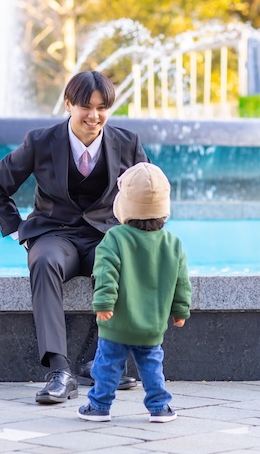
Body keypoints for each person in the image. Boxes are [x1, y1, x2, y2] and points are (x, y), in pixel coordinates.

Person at [0, 70, 149, 404]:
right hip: (54, 234)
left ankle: (98, 363)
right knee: (42, 261)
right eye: (86, 106)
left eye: (103, 107)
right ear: (69, 104)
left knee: (124, 260)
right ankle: (60, 371)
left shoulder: (127, 142)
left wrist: (138, 237)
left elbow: (148, 192)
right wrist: (17, 230)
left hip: (105, 235)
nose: (94, 115)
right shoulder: (41, 141)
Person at [77, 162, 192, 423]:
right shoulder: (172, 243)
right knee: (152, 368)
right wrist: (180, 311)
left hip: (116, 323)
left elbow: (106, 274)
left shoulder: (115, 238)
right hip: (152, 325)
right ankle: (160, 407)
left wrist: (104, 304)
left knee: (106, 366)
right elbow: (181, 283)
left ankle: (99, 406)